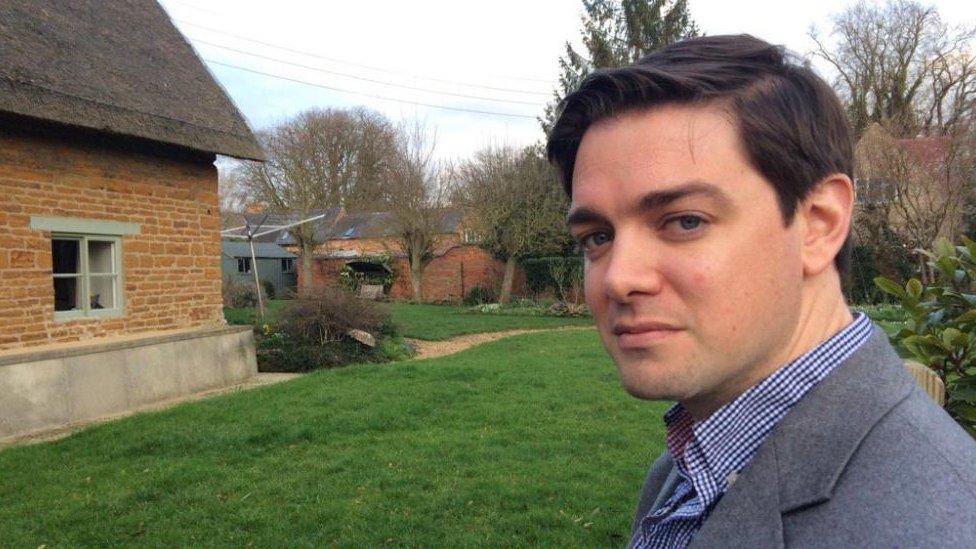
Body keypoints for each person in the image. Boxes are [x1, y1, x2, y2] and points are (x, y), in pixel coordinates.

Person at [546, 34, 976, 548]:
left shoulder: (932, 526)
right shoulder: (687, 467)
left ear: (819, 223)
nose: (618, 277)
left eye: (684, 221)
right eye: (597, 237)